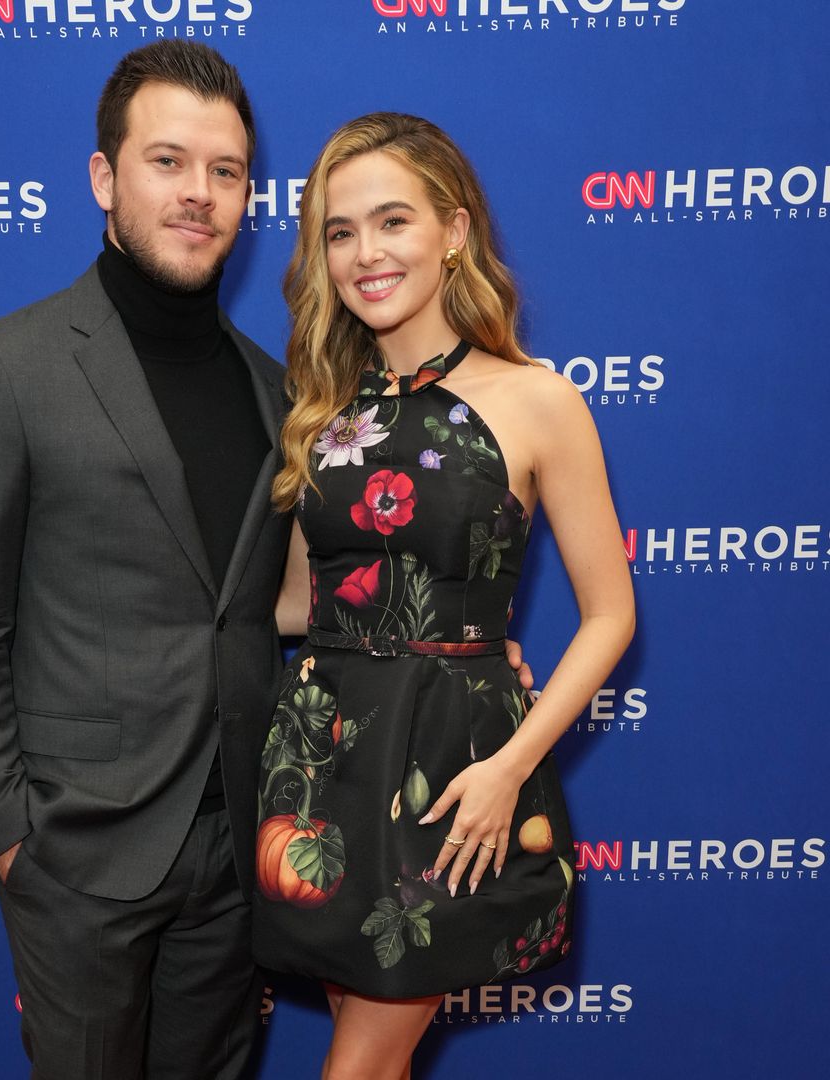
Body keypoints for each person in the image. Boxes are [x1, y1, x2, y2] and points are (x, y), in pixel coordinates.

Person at [0, 43, 535, 1079]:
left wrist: (454, 653)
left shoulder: (283, 395)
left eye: (227, 171)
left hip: (248, 837)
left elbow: (281, 601)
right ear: (105, 178)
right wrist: (12, 834)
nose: (199, 194)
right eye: (167, 161)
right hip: (79, 851)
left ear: (251, 194)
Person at [255, 113, 635, 1080]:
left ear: (454, 231)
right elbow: (301, 604)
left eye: (393, 222)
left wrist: (511, 764)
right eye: (340, 232)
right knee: (372, 1055)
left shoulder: (537, 398)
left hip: (453, 767)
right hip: (320, 760)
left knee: (362, 1063)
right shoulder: (325, 406)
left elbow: (610, 614)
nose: (365, 254)